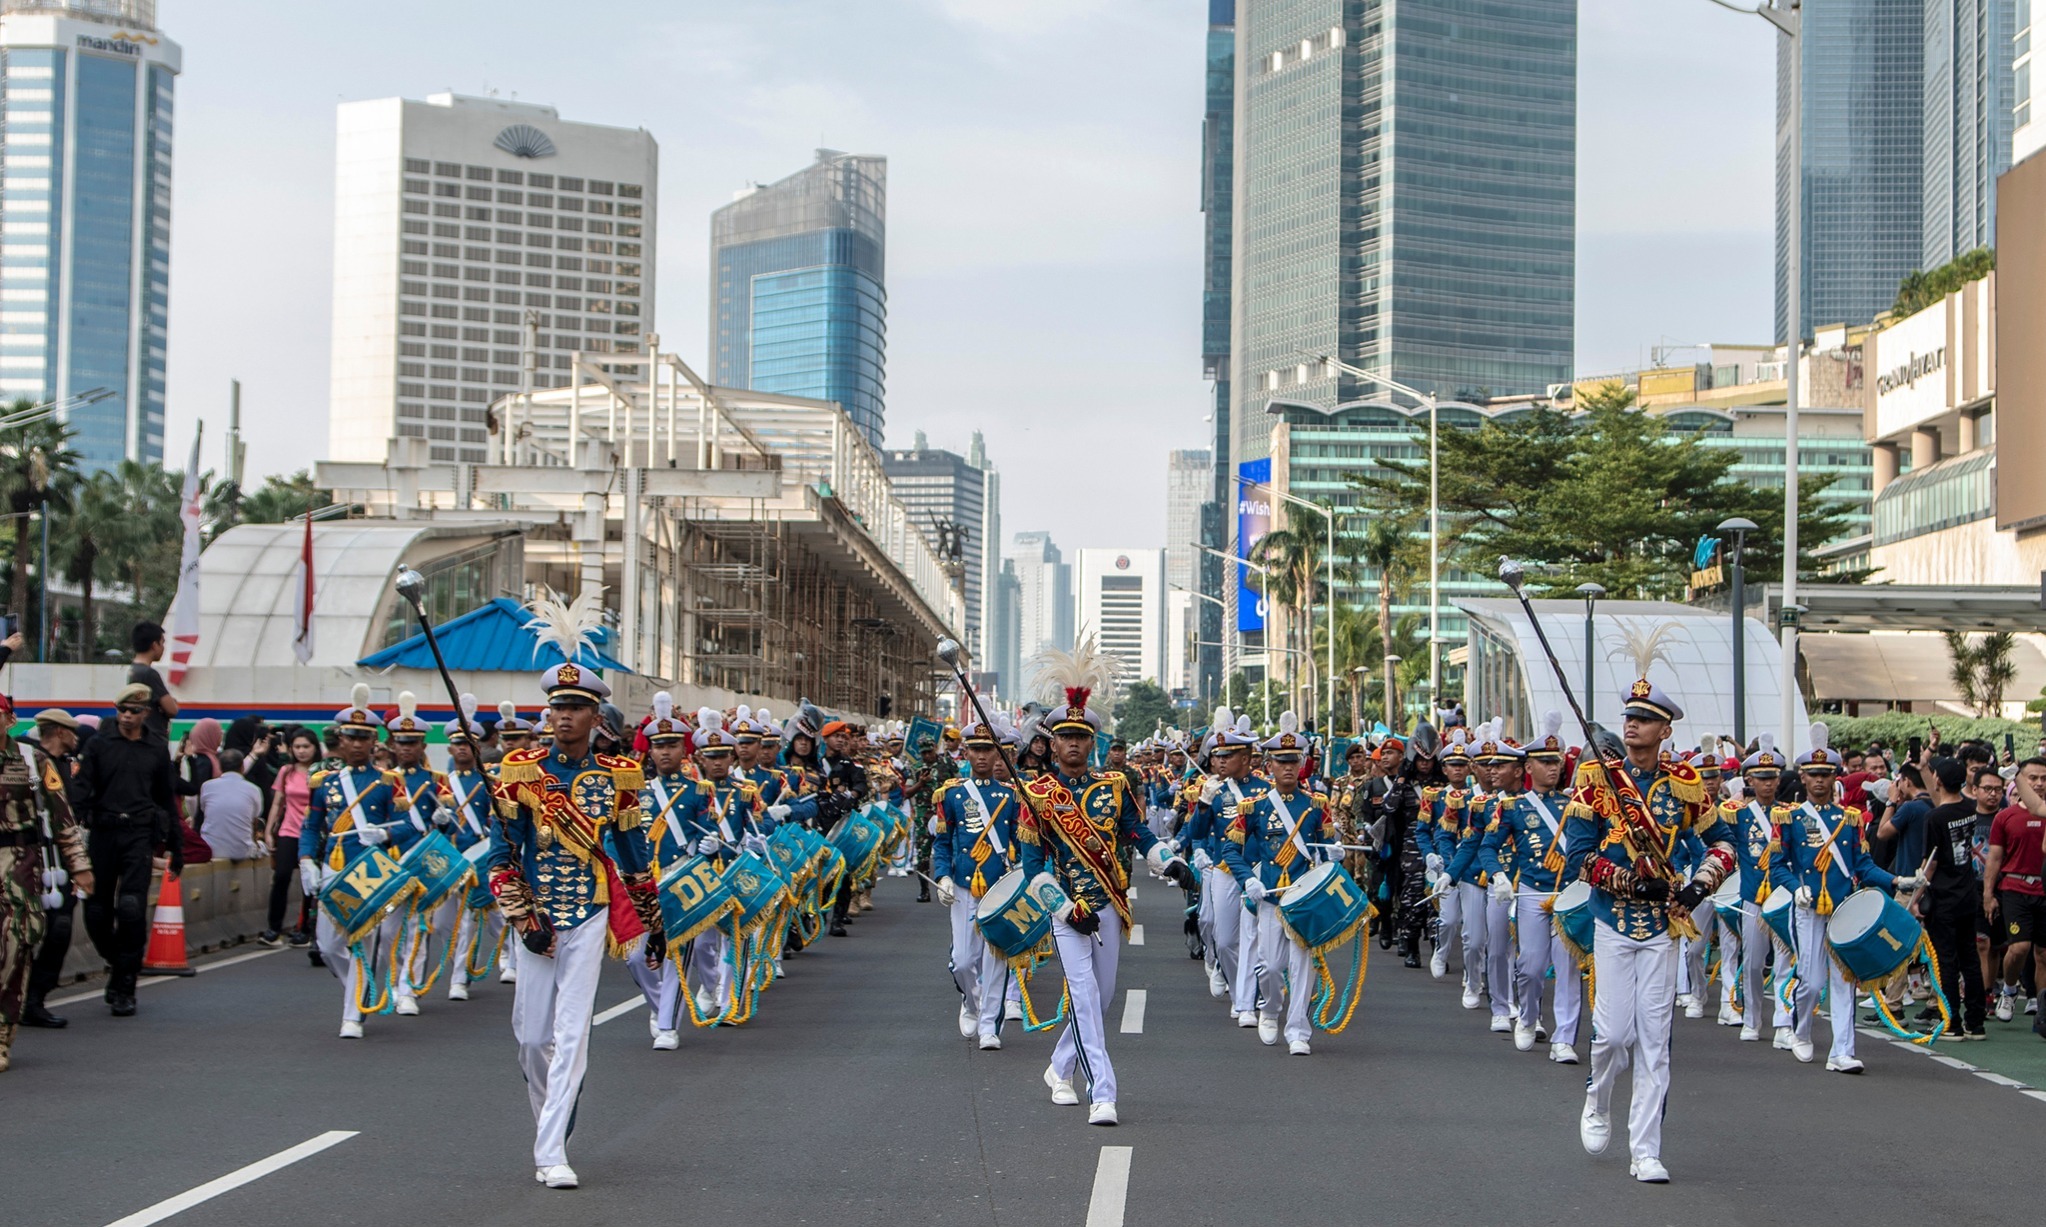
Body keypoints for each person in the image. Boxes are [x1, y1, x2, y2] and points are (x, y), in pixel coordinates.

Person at [485, 661, 662, 1189]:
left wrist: (654, 923)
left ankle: (551, 1151)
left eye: (576, 708)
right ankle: (552, 1123)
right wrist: (521, 917)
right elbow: (502, 857)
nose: (565, 716)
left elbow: (633, 857)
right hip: (538, 918)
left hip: (590, 913)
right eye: (558, 707)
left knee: (570, 1035)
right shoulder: (520, 771)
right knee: (532, 1036)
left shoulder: (620, 777)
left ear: (595, 716)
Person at [1562, 675, 1735, 1184]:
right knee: (1614, 1036)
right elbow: (1578, 856)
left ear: (1665, 730)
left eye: (1644, 719)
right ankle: (1597, 1100)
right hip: (1613, 923)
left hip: (1663, 929)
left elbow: (1723, 841)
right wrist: (1630, 886)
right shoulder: (1597, 779)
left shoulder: (1684, 783)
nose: (1632, 724)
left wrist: (1700, 886)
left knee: (1655, 1040)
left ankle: (1646, 1150)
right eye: (1629, 717)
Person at [1019, 677, 1193, 1125]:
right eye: (1064, 738)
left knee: (1101, 998)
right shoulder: (1036, 796)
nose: (1073, 745)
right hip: (1067, 911)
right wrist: (1063, 908)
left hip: (1108, 905)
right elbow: (1032, 868)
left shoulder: (1114, 786)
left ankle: (1059, 1067)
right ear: (1051, 745)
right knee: (1083, 991)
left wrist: (1165, 859)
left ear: (1091, 743)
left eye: (1080, 737)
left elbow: (1137, 832)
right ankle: (1103, 1092)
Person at [1770, 723, 1917, 1073]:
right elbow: (1777, 866)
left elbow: (1863, 865)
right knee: (1810, 981)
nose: (1820, 781)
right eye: (1813, 774)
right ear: (1803, 778)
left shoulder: (1849, 820)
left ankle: (1842, 1052)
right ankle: (1801, 1030)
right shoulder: (1788, 817)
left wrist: (1898, 879)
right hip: (1806, 909)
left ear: (1835, 777)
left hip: (1841, 909)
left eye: (1826, 774)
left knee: (1843, 982)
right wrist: (1795, 888)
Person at [298, 685, 421, 1038]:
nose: (355, 744)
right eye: (349, 737)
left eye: (362, 738)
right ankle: (360, 985)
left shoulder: (388, 782)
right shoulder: (324, 781)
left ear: (373, 743)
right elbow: (311, 825)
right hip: (334, 864)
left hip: (369, 868)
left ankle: (352, 1016)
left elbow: (410, 824)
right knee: (327, 945)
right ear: (340, 739)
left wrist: (384, 835)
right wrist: (307, 860)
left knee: (362, 942)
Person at [1220, 712, 1328, 1055]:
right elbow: (1230, 849)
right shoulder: (1254, 808)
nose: (1287, 768)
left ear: (1301, 764)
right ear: (1269, 764)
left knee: (1302, 966)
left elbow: (1323, 850)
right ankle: (1269, 1009)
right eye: (1281, 762)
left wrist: (1333, 852)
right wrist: (1248, 879)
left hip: (1304, 897)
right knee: (1269, 965)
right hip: (1268, 895)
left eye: (1293, 761)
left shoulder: (1316, 805)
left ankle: (1298, 1029)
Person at [1479, 711, 1580, 1061]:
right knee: (1531, 966)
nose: (1553, 768)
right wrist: (1500, 876)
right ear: (1529, 767)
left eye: (1556, 761)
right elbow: (1488, 846)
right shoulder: (1514, 807)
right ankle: (1528, 1016)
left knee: (1568, 969)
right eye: (1544, 762)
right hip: (1533, 891)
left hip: (1567, 894)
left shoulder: (1575, 806)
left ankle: (1564, 1037)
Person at [76, 684, 179, 1018]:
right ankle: (119, 962)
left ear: (145, 712)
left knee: (132, 908)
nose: (126, 716)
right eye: (121, 710)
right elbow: (80, 792)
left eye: (133, 711)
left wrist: (176, 845)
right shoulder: (99, 745)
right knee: (96, 913)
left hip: (138, 834)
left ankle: (124, 985)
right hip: (104, 833)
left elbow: (167, 799)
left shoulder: (156, 749)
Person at [0, 699, 90, 1069]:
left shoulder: (33, 760)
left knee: (13, 944)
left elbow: (63, 818)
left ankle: (3, 1036)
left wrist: (80, 866)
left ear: (9, 719)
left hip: (20, 864)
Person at [932, 713, 1022, 1050]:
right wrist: (941, 876)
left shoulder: (1010, 796)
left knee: (995, 960)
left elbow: (1020, 840)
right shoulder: (950, 795)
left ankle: (989, 1026)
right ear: (966, 754)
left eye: (988, 750)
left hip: (999, 887)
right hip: (962, 884)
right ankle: (971, 1002)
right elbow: (942, 842)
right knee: (964, 961)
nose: (982, 756)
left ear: (998, 754)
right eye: (976, 750)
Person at [1181, 710, 1264, 1025]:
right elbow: (1197, 834)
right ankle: (1233, 982)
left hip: (1257, 871)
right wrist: (1203, 804)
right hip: (1224, 869)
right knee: (1224, 938)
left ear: (1246, 756)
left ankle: (1247, 1000)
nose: (1219, 761)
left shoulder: (1263, 790)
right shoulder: (1214, 789)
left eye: (1227, 755)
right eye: (1217, 755)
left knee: (1253, 937)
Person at [1723, 734, 1793, 1045]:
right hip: (1752, 897)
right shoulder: (1738, 815)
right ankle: (1752, 1018)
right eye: (1761, 778)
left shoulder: (1790, 814)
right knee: (1752, 964)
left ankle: (1783, 1022)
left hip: (1781, 898)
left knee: (1784, 962)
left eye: (1772, 778)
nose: (1767, 784)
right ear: (1750, 779)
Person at [20, 709, 86, 1030]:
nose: (76, 737)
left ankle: (34, 999)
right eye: (72, 731)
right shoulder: (25, 759)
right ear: (59, 732)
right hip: (25, 862)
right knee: (19, 935)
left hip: (58, 866)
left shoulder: (62, 766)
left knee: (59, 930)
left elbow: (68, 819)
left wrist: (77, 868)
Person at [437, 698, 501, 1003]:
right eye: (457, 744)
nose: (462, 749)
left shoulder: (489, 783)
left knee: (472, 920)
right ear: (450, 748)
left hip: (480, 857)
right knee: (442, 924)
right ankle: (459, 966)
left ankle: (459, 978)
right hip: (451, 860)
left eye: (468, 744)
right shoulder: (442, 785)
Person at [1922, 756, 1988, 1039]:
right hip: (1968, 893)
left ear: (1938, 781)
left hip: (1943, 896)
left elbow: (1931, 863)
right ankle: (1976, 1021)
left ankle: (1951, 1021)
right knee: (1970, 957)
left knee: (1946, 960)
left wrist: (1917, 896)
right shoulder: (1972, 809)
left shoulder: (1935, 817)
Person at [1983, 758, 2046, 1025]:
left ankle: (2042, 1010)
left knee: (2043, 953)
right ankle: (2009, 990)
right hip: (2015, 888)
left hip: (2044, 890)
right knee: (2019, 948)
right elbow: (1994, 858)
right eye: (2034, 778)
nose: (2040, 783)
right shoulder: (2007, 816)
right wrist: (1988, 893)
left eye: (2044, 778)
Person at [262, 729, 321, 947]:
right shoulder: (286, 771)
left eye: (306, 746)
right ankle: (273, 928)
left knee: (310, 883)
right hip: (289, 831)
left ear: (315, 747)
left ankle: (304, 929)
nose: (302, 751)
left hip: (315, 834)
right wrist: (269, 831)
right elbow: (277, 803)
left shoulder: (322, 773)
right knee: (282, 876)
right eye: (297, 747)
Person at [196, 749, 264, 861]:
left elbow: (204, 810)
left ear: (220, 767)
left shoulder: (207, 786)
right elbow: (255, 816)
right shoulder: (253, 789)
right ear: (242, 767)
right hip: (242, 851)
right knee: (262, 846)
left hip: (211, 849)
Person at [126, 621, 177, 744]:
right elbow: (171, 709)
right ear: (154, 645)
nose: (163, 648)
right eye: (162, 643)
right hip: (154, 739)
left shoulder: (133, 670)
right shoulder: (149, 674)